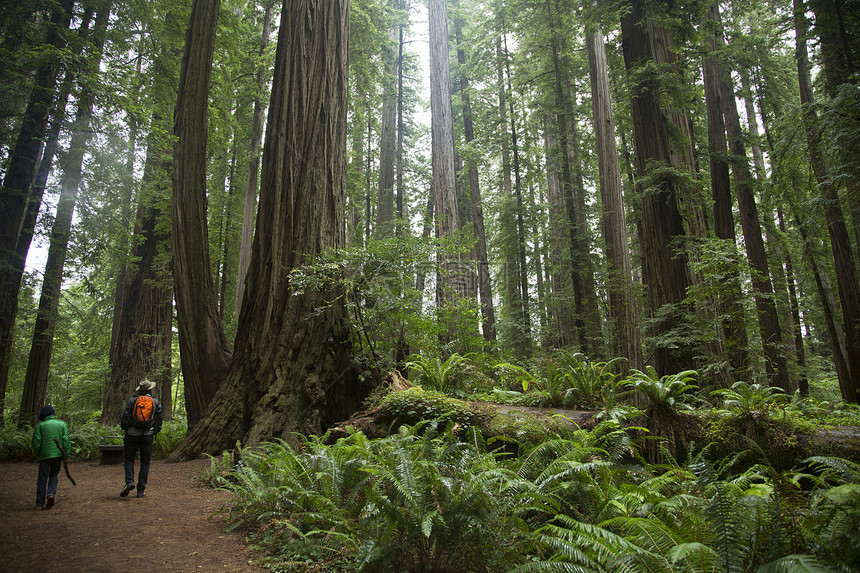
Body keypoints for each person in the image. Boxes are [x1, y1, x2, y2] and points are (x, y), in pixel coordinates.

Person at [119, 379, 162, 498]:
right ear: (150, 389)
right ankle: (141, 490)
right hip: (147, 435)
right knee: (145, 462)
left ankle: (129, 482)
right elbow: (158, 421)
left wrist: (125, 428)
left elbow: (125, 417)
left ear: (140, 390)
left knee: (129, 459)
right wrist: (155, 432)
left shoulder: (133, 401)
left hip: (132, 434)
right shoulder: (155, 402)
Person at [31, 405, 71, 510]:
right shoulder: (62, 424)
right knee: (54, 475)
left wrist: (38, 453)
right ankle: (51, 494)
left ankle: (39, 503)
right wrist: (66, 454)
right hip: (58, 454)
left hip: (44, 456)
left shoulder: (40, 426)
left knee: (42, 477)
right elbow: (66, 440)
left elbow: (36, 442)